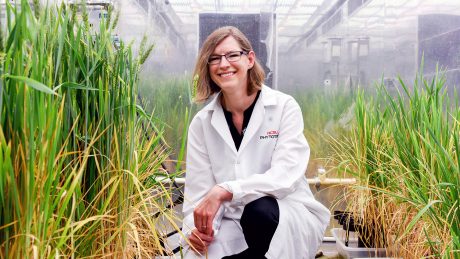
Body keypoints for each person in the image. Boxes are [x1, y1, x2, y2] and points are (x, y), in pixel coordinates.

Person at [181, 26, 330, 259]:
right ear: (207, 67)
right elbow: (198, 195)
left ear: (250, 59)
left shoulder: (283, 107)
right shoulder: (202, 124)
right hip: (229, 220)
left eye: (232, 55)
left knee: (258, 212)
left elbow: (285, 176)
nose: (223, 64)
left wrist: (227, 190)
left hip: (282, 214)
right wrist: (196, 230)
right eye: (215, 58)